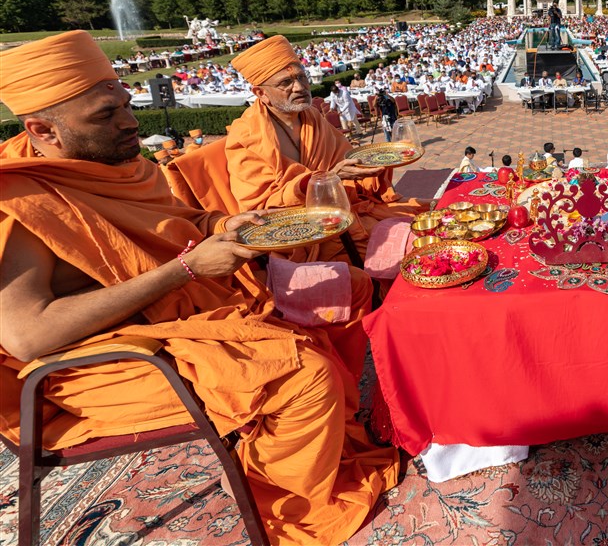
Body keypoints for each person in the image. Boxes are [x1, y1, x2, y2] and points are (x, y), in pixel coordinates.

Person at [0, 31, 398, 545]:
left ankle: (331, 438)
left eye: (123, 103)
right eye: (105, 115)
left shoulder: (112, 162)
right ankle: (295, 506)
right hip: (98, 362)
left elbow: (172, 223)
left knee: (343, 293)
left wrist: (218, 224)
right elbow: (28, 337)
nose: (130, 122)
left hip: (174, 314)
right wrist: (184, 271)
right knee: (305, 373)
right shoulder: (25, 199)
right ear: (42, 130)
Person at [224, 36, 424, 265]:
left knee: (425, 221)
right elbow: (259, 209)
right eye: (285, 83)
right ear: (260, 93)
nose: (299, 87)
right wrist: (326, 180)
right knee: (404, 247)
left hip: (342, 211)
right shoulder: (247, 137)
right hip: (296, 236)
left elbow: (345, 158)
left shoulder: (311, 117)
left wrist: (374, 163)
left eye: (301, 77)